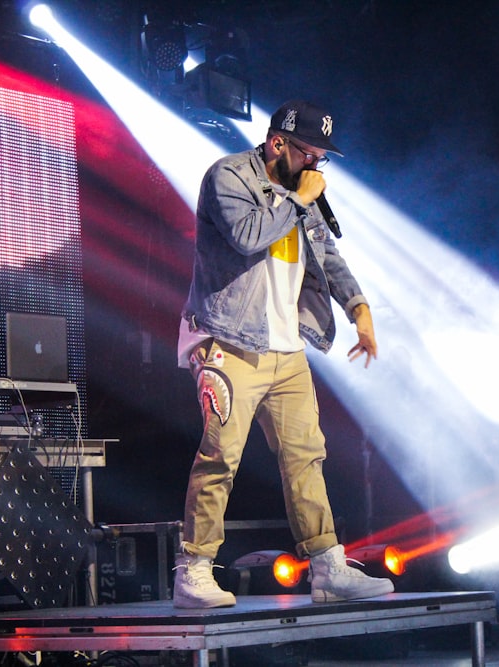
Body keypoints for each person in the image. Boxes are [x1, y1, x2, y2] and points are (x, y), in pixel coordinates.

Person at [174, 100, 394, 608]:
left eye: (322, 159)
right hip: (228, 341)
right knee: (220, 457)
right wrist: (298, 199)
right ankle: (194, 570)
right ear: (278, 144)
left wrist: (358, 306)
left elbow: (327, 255)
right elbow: (248, 235)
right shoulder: (228, 176)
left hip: (286, 346)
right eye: (310, 155)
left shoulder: (302, 191)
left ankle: (327, 569)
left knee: (305, 457)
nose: (317, 167)